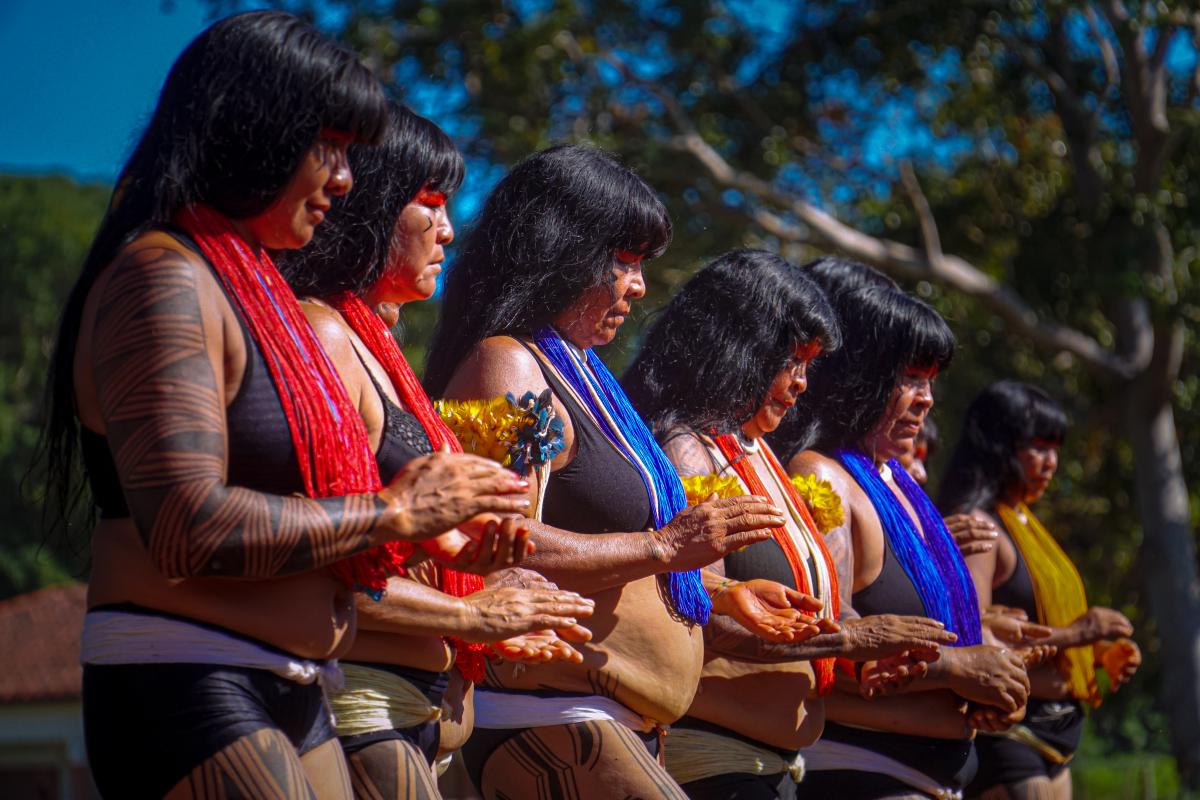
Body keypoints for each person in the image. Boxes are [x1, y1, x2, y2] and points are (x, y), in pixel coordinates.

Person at [42, 13, 529, 798]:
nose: (343, 179)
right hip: (187, 676)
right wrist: (392, 514)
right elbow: (186, 528)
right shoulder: (163, 280)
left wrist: (443, 548)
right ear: (250, 132)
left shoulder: (255, 292)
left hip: (294, 682)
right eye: (326, 147)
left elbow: (297, 506)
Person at [425, 145, 819, 799]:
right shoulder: (509, 366)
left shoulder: (586, 376)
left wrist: (720, 594)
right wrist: (665, 546)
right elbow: (493, 542)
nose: (638, 286)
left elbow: (610, 546)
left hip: (606, 725)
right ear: (562, 251)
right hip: (547, 720)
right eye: (625, 261)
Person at [279, 102, 597, 799]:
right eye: (431, 205)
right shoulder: (324, 333)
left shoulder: (378, 343)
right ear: (370, 207)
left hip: (418, 711)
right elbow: (327, 557)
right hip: (365, 702)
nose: (450, 231)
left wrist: (487, 587)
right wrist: (471, 615)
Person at [624, 250, 960, 800]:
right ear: (741, 351)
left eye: (810, 365)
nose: (803, 383)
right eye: (791, 361)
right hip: (715, 763)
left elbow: (815, 609)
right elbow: (690, 610)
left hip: (770, 768)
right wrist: (849, 638)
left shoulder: (756, 454)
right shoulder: (691, 451)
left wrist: (867, 653)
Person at [774, 276, 1033, 799]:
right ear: (861, 377)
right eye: (912, 378)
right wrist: (959, 668)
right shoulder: (822, 478)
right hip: (864, 776)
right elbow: (820, 642)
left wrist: (994, 682)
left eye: (932, 381)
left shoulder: (897, 486)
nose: (927, 400)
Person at [939, 381, 1141, 799]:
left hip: (1058, 732)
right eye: (1039, 447)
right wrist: (1077, 634)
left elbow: (1033, 620)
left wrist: (1095, 653)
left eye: (1056, 449)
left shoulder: (1023, 519)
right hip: (1010, 733)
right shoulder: (979, 526)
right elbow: (973, 643)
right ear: (1000, 445)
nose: (1052, 462)